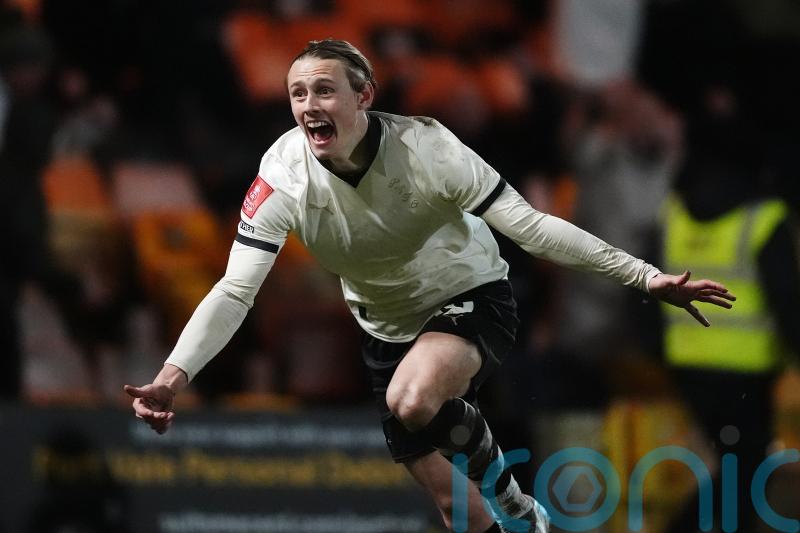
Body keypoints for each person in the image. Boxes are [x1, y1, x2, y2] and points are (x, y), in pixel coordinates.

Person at [124, 39, 736, 533]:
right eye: (298, 93)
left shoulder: (428, 149)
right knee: (456, 514)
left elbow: (532, 228)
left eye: (325, 89)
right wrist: (173, 378)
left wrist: (645, 276)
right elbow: (235, 291)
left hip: (469, 296)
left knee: (412, 400)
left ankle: (520, 508)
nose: (309, 103)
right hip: (383, 329)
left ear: (364, 96)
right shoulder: (282, 175)